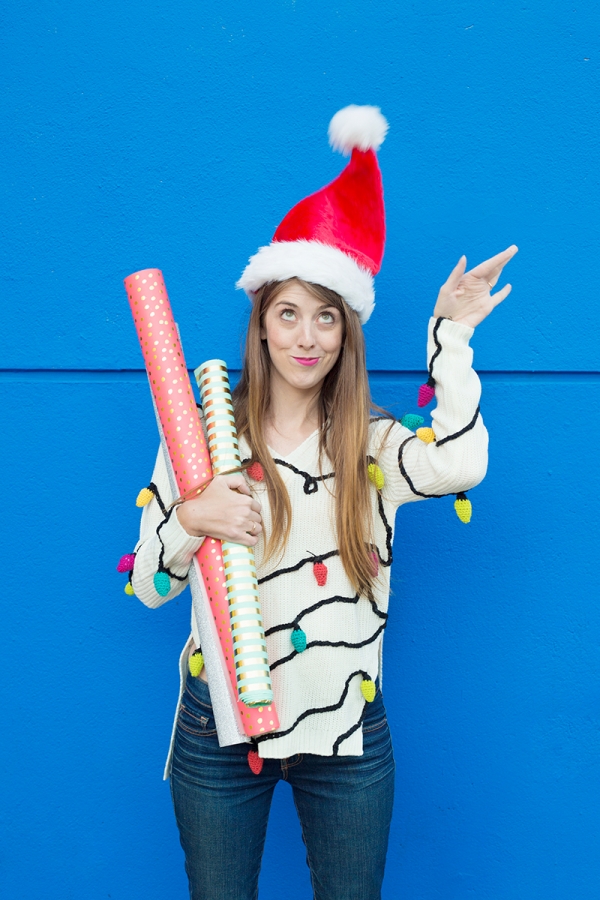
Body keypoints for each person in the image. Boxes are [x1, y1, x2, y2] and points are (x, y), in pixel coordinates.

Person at [130, 105, 517, 900]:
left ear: (346, 333)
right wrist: (187, 523)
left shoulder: (372, 445)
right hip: (217, 731)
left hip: (346, 734)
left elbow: (464, 462)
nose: (307, 336)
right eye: (288, 314)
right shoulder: (199, 441)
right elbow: (146, 588)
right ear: (262, 328)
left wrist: (451, 337)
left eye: (326, 317)